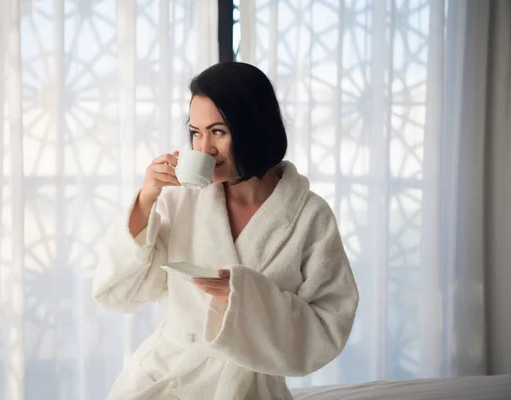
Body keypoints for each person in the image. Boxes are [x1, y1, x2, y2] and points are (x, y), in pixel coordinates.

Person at [92, 62, 359, 400]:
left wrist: (244, 296)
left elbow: (328, 326)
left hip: (248, 388)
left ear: (253, 130)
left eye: (218, 131)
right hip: (163, 377)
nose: (204, 149)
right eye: (195, 132)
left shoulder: (309, 216)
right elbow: (119, 292)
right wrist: (146, 200)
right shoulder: (181, 201)